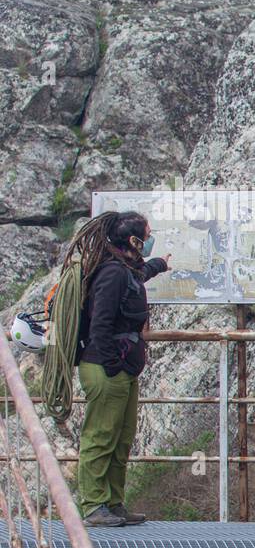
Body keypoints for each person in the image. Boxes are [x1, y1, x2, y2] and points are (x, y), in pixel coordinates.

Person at [73, 211, 170, 527]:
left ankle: (113, 502)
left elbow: (139, 275)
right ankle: (93, 505)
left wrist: (159, 264)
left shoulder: (125, 269)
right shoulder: (113, 274)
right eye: (148, 233)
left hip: (121, 370)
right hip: (106, 369)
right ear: (134, 240)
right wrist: (113, 365)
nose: (150, 238)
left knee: (121, 437)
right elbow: (101, 322)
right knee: (101, 436)